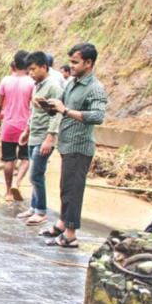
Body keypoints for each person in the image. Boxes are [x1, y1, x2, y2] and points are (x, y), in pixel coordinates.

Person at [40, 43, 107, 248]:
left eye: (75, 62)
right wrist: (47, 105)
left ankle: (70, 235)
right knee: (65, 188)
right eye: (71, 61)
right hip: (67, 144)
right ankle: (62, 223)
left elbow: (97, 116)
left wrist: (66, 111)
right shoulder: (71, 83)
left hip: (80, 147)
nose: (72, 66)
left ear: (89, 63)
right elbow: (60, 106)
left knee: (73, 190)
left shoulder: (95, 88)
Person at [17, 51, 64, 225]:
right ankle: (33, 207)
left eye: (33, 69)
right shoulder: (38, 85)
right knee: (33, 174)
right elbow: (34, 111)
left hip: (44, 136)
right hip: (34, 135)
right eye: (29, 70)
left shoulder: (53, 87)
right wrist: (27, 130)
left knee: (36, 174)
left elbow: (57, 114)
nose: (31, 73)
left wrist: (50, 138)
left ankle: (41, 211)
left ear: (44, 67)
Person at [0, 51, 35, 202]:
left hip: (8, 124)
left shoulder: (5, 80)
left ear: (14, 64)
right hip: (25, 126)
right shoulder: (31, 82)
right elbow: (34, 106)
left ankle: (8, 191)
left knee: (8, 159)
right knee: (25, 157)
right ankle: (18, 183)